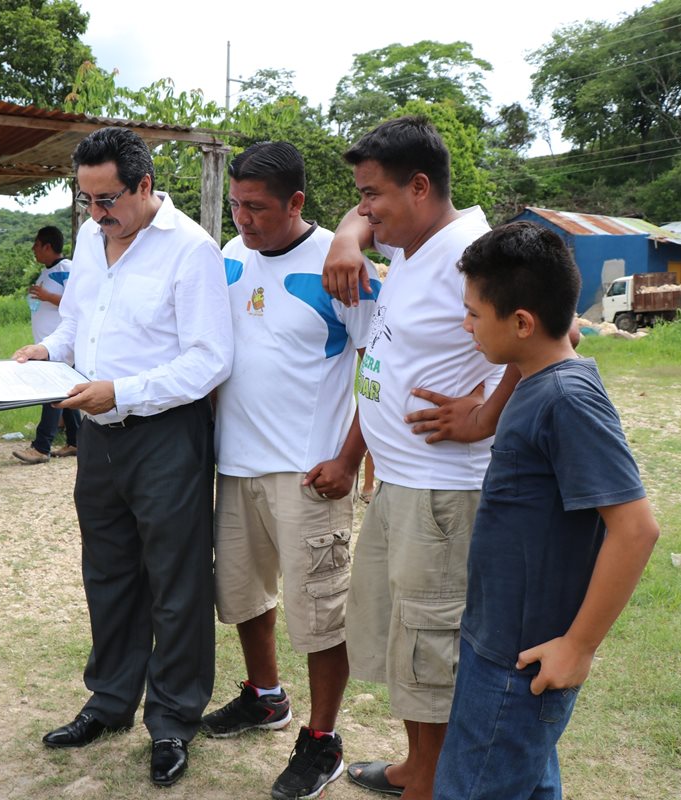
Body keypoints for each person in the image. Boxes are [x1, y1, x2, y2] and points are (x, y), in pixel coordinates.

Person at [15, 126, 233, 788]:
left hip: (166, 431)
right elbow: (80, 326)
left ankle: (172, 719)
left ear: (144, 186)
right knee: (107, 571)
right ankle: (110, 702)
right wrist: (46, 353)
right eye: (86, 200)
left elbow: (210, 358)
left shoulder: (191, 250)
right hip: (99, 432)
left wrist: (126, 391)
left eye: (107, 200)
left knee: (176, 580)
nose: (96, 214)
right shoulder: (91, 239)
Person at [319, 116, 518, 800]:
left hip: (443, 491)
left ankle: (430, 782)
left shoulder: (474, 252)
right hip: (399, 482)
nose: (366, 209)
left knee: (432, 644)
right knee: (402, 635)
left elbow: (558, 329)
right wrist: (350, 233)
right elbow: (363, 218)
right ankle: (416, 763)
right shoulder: (413, 244)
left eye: (374, 195)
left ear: (422, 187)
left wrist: (488, 413)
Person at [433, 222, 659, 799]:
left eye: (474, 315)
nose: (467, 326)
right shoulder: (538, 375)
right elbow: (570, 337)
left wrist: (578, 645)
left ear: (522, 323)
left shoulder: (566, 397)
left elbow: (635, 529)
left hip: (522, 662)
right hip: (499, 640)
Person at [202, 141, 376, 800]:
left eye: (259, 208)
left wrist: (349, 459)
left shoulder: (342, 264)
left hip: (309, 475)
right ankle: (264, 695)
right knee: (245, 596)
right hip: (234, 464)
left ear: (296, 202)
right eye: (238, 206)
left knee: (320, 615)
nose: (244, 219)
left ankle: (323, 738)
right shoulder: (225, 257)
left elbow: (379, 368)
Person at [12, 225, 80, 464]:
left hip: (59, 345)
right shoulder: (46, 271)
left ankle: (41, 446)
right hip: (46, 343)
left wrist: (47, 296)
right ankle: (76, 441)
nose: (34, 249)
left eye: (37, 245)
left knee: (51, 392)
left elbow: (77, 302)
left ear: (48, 246)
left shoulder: (67, 269)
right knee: (67, 393)